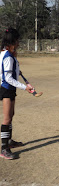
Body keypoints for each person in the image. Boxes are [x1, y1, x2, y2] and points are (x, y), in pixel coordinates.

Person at [0, 28, 33, 160]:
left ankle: (9, 141)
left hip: (9, 88)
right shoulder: (8, 56)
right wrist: (24, 87)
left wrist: (17, 70)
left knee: (11, 115)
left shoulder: (6, 53)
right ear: (12, 41)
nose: (19, 42)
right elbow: (8, 78)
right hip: (7, 88)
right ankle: (3, 148)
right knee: (7, 118)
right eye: (17, 40)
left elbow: (11, 71)